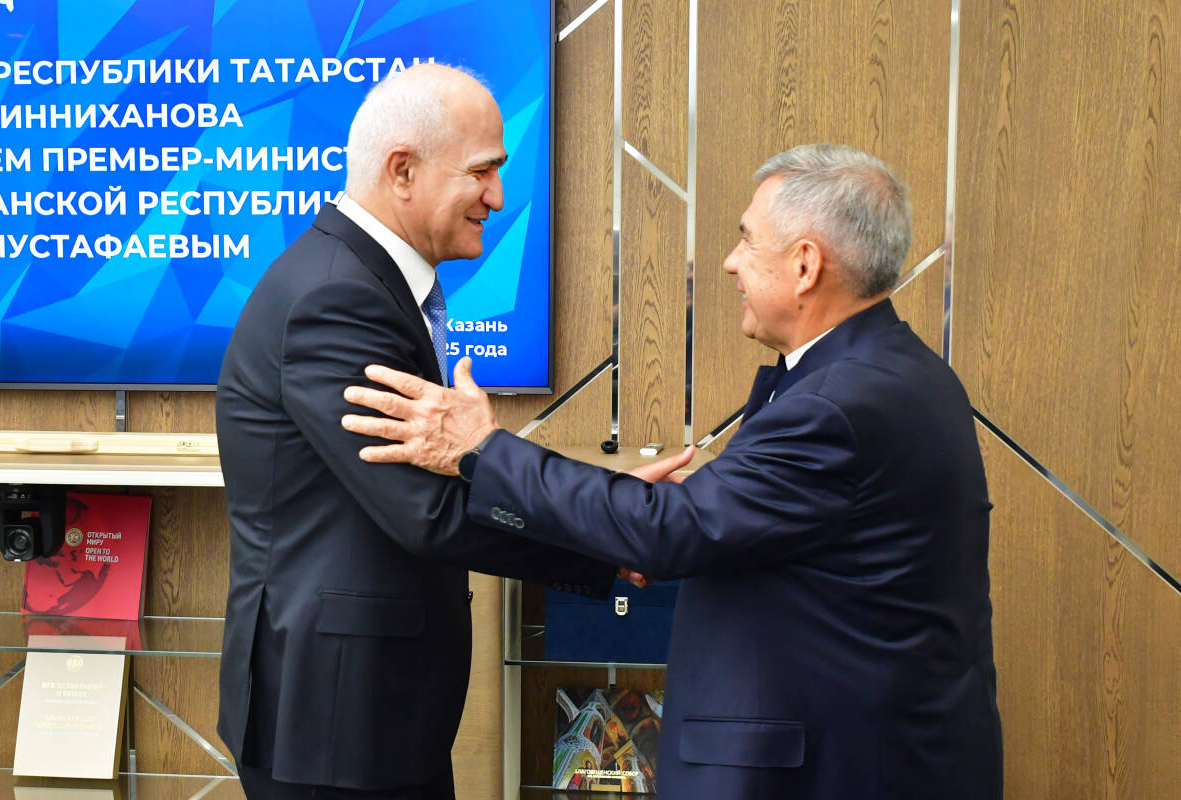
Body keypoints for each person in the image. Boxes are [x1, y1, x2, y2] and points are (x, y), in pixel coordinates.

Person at [340, 144, 1004, 800]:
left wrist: (482, 449)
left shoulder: (839, 402)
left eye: (747, 240)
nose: (730, 262)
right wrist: (660, 514)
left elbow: (673, 532)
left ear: (805, 265)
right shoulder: (895, 371)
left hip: (833, 769)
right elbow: (739, 525)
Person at [215, 64, 615, 800]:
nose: (498, 196)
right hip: (334, 729)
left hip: (366, 719)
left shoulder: (358, 280)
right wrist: (609, 531)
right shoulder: (337, 297)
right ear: (402, 171)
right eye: (482, 171)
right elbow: (427, 511)